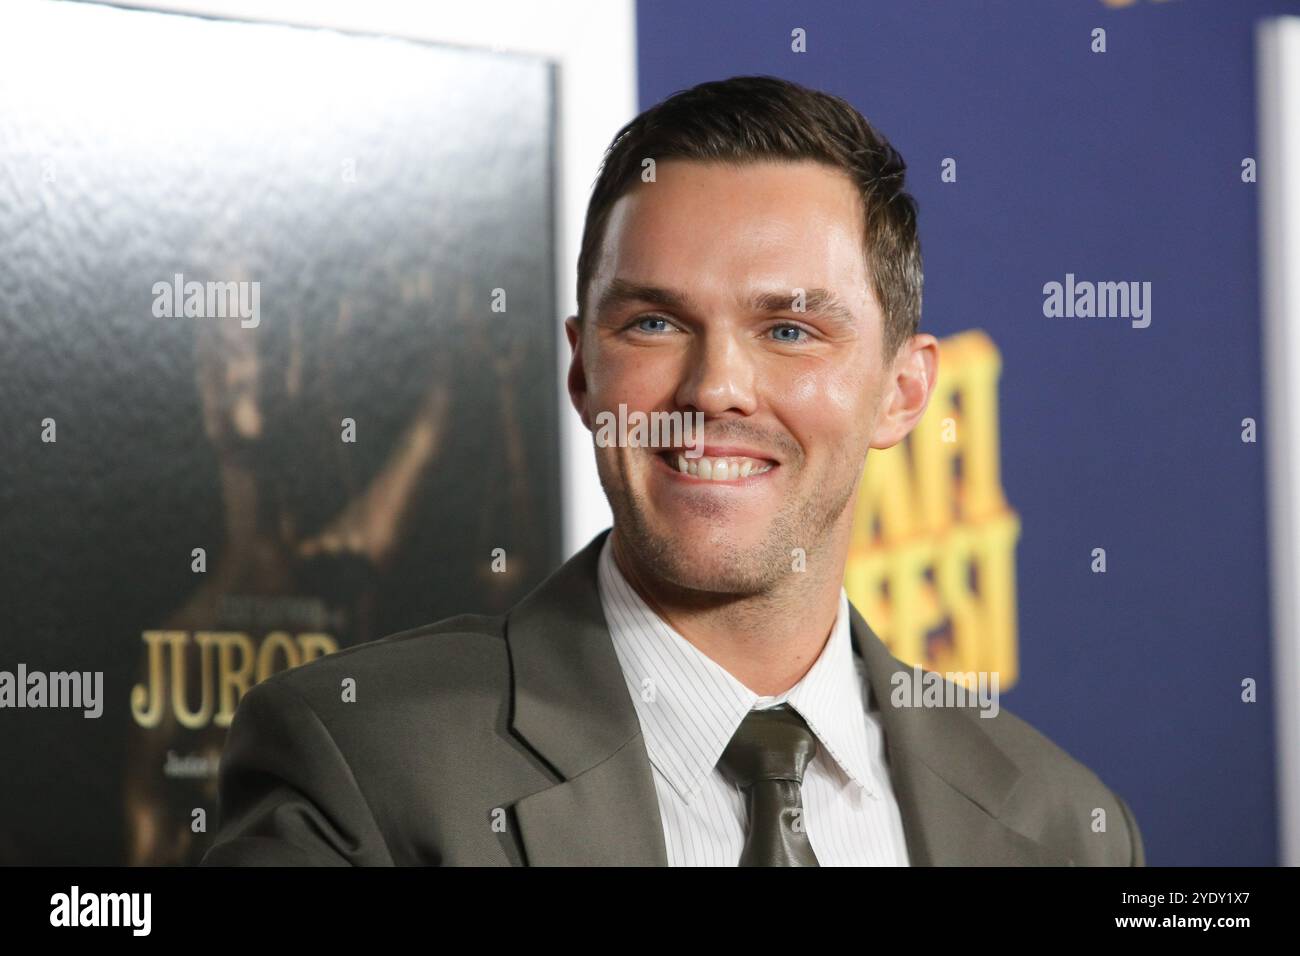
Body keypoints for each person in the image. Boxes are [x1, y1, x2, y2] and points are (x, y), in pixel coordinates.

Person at [201, 75, 1144, 867]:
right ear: (582, 369)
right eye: (654, 322)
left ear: (902, 392)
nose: (717, 388)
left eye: (789, 330)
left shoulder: (1068, 828)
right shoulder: (361, 767)